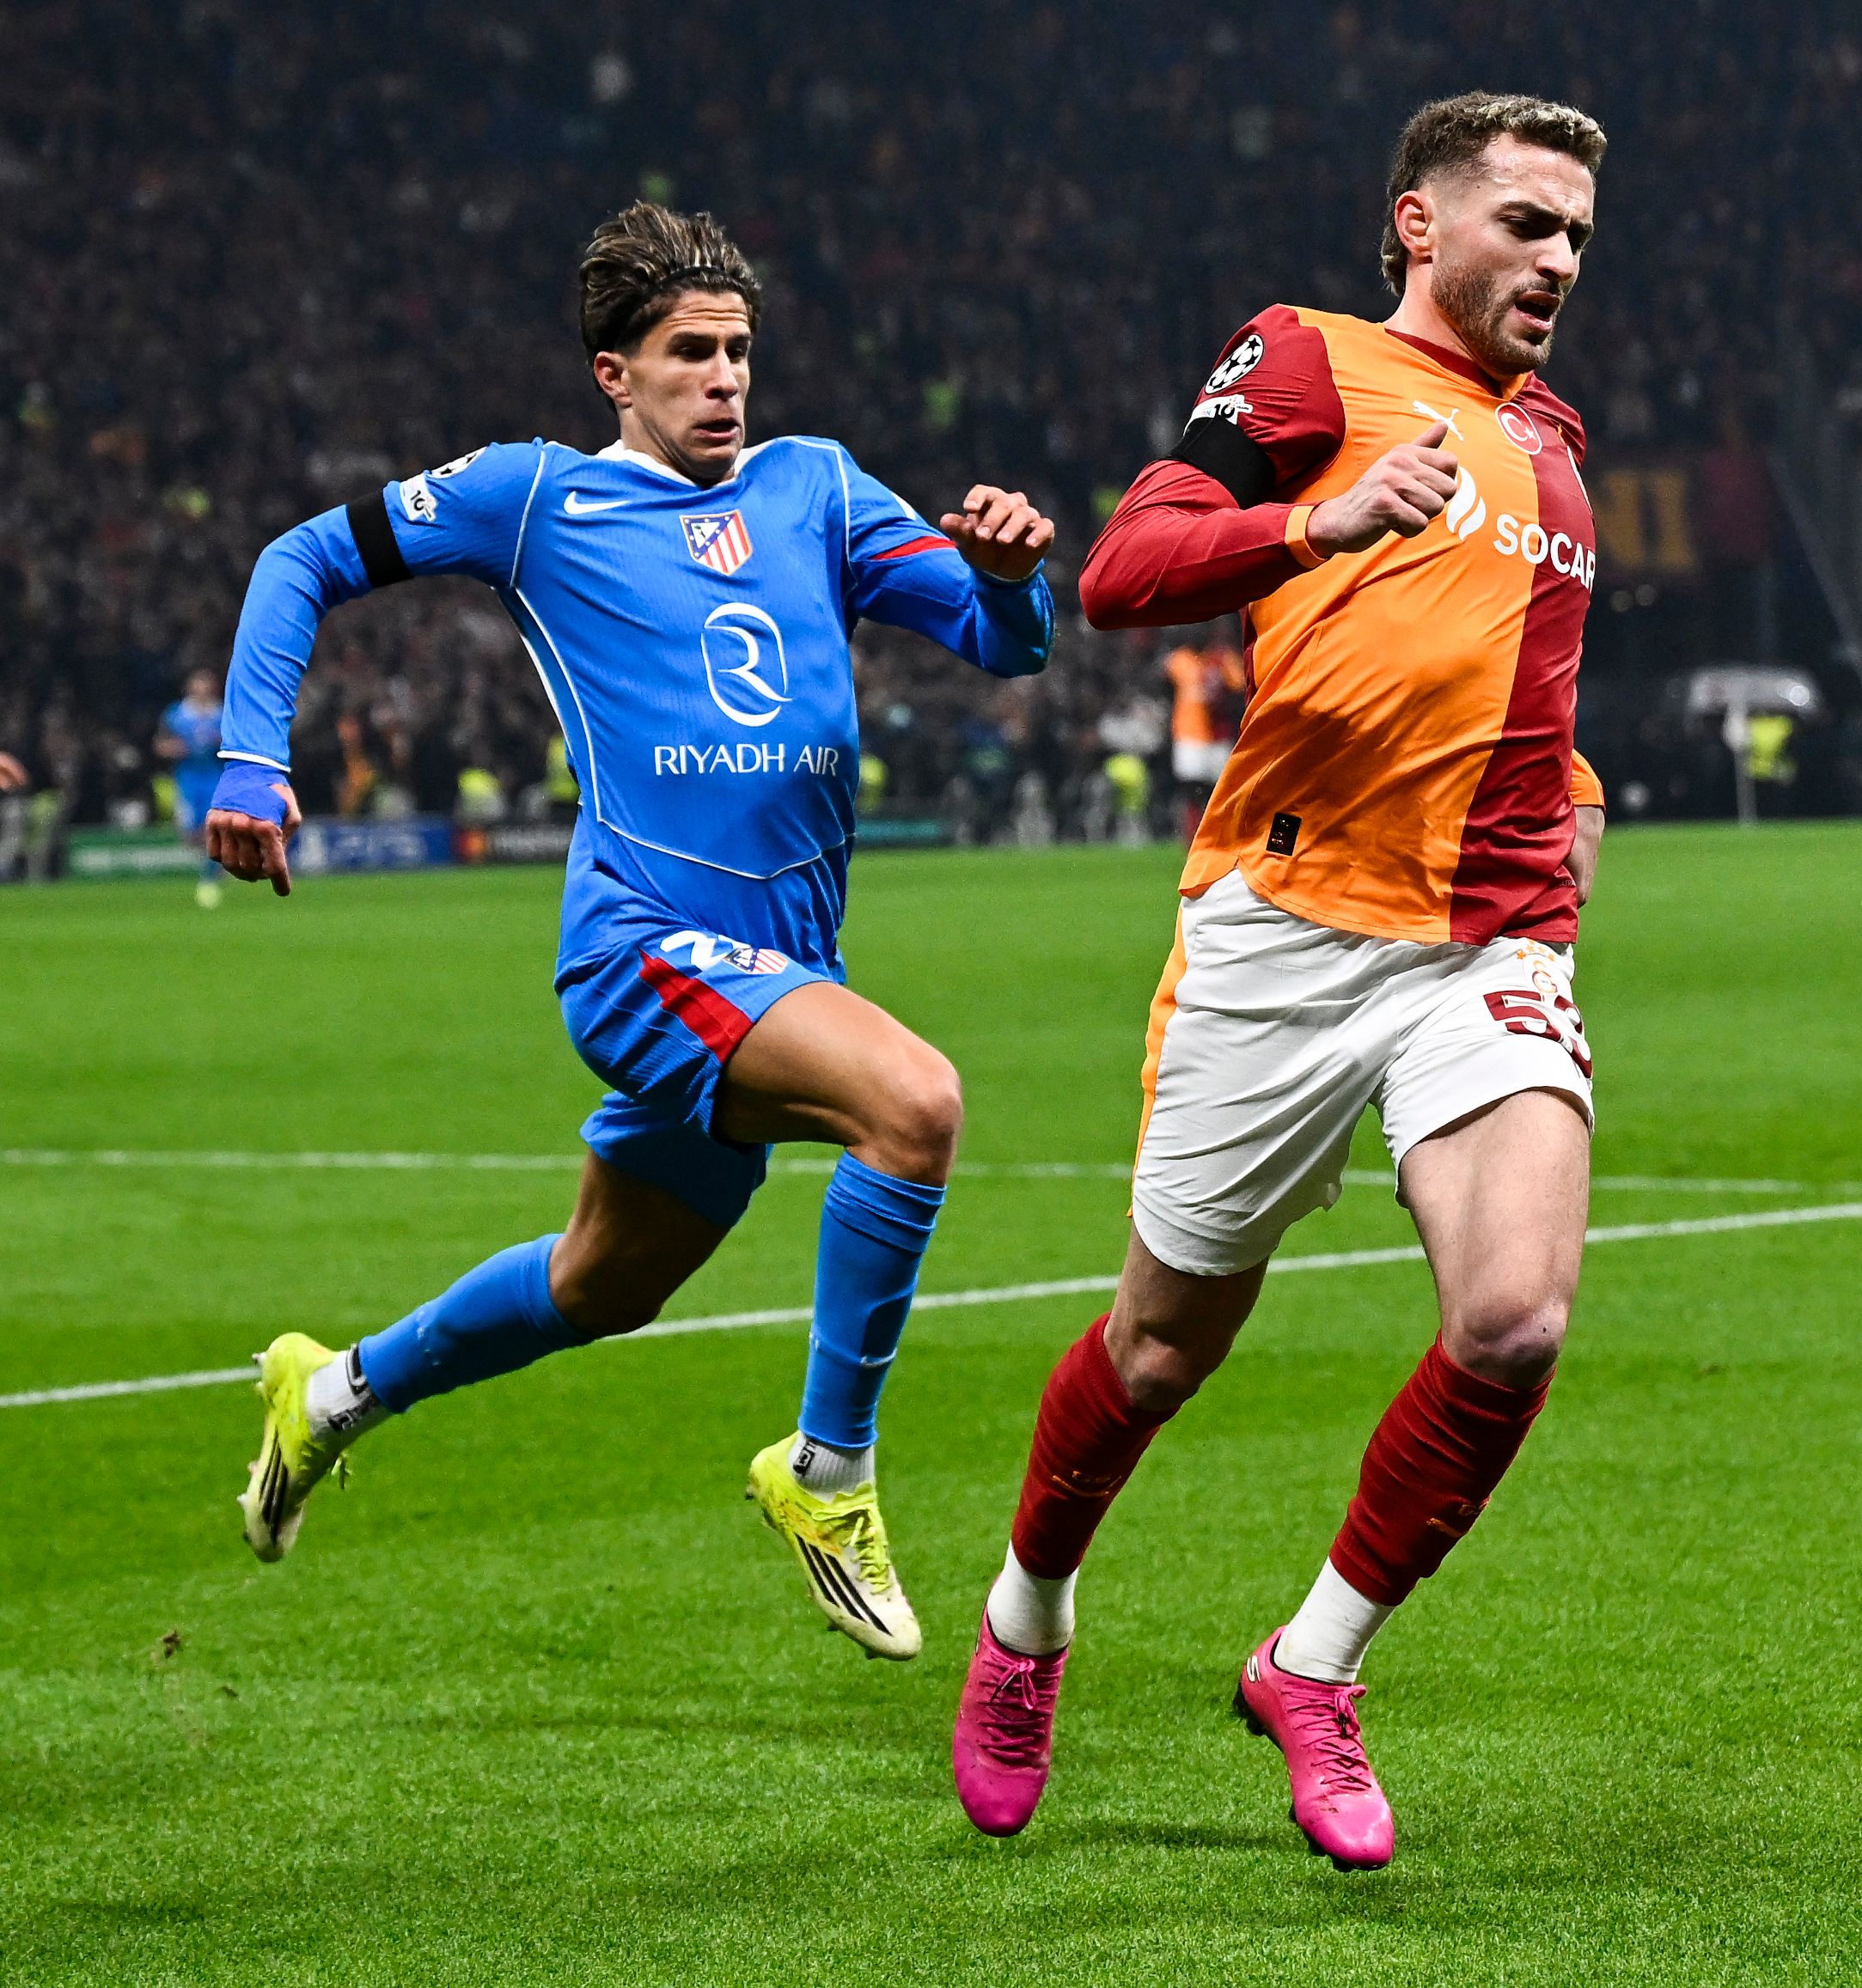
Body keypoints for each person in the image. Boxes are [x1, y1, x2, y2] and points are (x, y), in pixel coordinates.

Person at [208, 202, 1059, 1660]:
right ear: (615, 371)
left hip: (783, 964)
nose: (725, 378)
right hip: (642, 947)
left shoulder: (820, 488)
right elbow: (300, 559)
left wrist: (1004, 568)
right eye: (689, 354)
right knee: (914, 1103)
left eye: (738, 350)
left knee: (598, 1285)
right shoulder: (534, 497)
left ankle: (331, 1391)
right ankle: (828, 1469)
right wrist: (248, 757)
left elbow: (1007, 641)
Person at [949, 91, 1611, 1870]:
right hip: (1284, 924)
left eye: (1574, 235)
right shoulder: (1305, 362)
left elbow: (1526, 692)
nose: (1559, 260)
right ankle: (1025, 1620)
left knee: (1516, 1314)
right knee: (1161, 1346)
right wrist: (1316, 529)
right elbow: (1115, 573)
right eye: (1525, 224)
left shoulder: (1553, 443)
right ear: (1418, 223)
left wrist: (1579, 814)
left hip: (1480, 942)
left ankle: (1311, 1664)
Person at [1162, 619, 1250, 837]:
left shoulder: (1223, 659)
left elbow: (1241, 690)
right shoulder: (1179, 660)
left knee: (1218, 792)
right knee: (1191, 790)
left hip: (1218, 736)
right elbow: (1164, 692)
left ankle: (1219, 836)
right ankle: (1192, 837)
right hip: (1188, 735)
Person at [155, 668, 228, 907]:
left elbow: (238, 742)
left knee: (213, 828)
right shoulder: (177, 714)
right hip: (187, 778)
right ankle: (212, 863)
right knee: (189, 834)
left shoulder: (222, 713)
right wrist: (174, 749)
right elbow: (160, 745)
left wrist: (223, 743)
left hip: (214, 777)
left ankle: (210, 877)